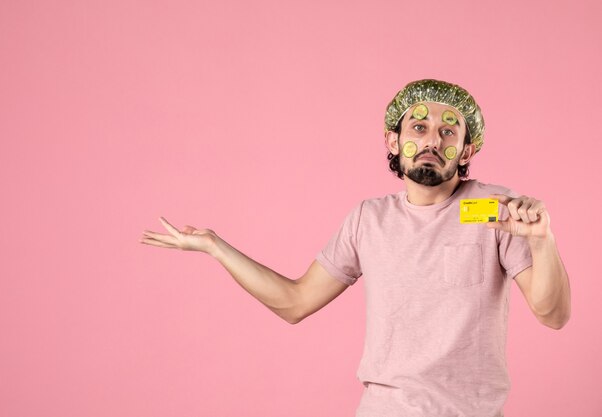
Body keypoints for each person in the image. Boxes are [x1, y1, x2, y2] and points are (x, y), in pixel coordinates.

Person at [139, 79, 571, 417]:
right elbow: (294, 302)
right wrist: (216, 247)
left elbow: (553, 315)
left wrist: (542, 240)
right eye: (419, 128)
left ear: (466, 149)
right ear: (392, 141)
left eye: (448, 131)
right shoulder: (370, 219)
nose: (432, 141)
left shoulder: (493, 210)